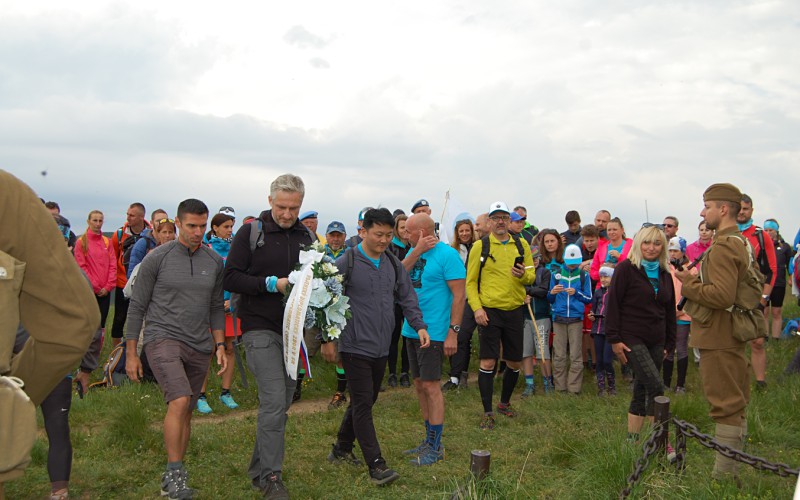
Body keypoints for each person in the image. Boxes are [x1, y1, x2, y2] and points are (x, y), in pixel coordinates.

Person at [125, 198, 227, 500]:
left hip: (200, 344)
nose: (198, 232)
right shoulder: (157, 258)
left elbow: (215, 307)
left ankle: (176, 475)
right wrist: (131, 353)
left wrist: (220, 344)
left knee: (186, 411)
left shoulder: (214, 261)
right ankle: (174, 473)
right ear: (178, 224)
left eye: (202, 226)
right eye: (191, 226)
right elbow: (137, 307)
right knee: (180, 400)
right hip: (162, 337)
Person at [223, 173, 314, 499]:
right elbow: (231, 277)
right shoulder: (251, 233)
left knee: (284, 400)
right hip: (258, 327)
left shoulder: (306, 237)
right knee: (274, 400)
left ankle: (258, 469)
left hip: (293, 332)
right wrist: (269, 284)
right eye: (282, 207)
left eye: (294, 207)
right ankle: (272, 479)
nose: (287, 214)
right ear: (269, 201)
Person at [325, 208, 428, 486]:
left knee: (368, 399)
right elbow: (327, 299)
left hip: (381, 345)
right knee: (362, 404)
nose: (383, 240)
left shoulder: (393, 264)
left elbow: (407, 296)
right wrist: (329, 340)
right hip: (354, 344)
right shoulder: (348, 261)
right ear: (363, 232)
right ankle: (377, 464)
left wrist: (418, 325)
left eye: (388, 235)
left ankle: (341, 448)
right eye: (378, 234)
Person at [675, 183, 752, 479]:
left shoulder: (722, 246)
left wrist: (688, 282)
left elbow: (722, 297)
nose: (702, 212)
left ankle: (723, 478)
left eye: (707, 206)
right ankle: (731, 471)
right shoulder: (738, 241)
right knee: (734, 399)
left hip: (719, 334)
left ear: (722, 209)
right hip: (729, 332)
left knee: (725, 404)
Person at [400, 213, 465, 465]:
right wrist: (415, 251)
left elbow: (459, 296)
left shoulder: (447, 256)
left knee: (431, 386)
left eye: (408, 231)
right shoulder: (413, 253)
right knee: (419, 384)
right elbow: (398, 275)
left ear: (421, 232)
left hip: (435, 331)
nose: (404, 235)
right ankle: (428, 440)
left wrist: (453, 331)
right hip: (411, 329)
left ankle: (435, 447)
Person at [466, 201, 535, 430]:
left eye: (504, 217)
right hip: (490, 310)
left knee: (514, 361)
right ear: (489, 222)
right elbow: (471, 282)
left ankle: (504, 404)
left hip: (515, 309)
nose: (500, 221)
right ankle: (487, 412)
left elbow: (531, 276)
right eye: (495, 218)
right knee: (488, 361)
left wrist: (522, 276)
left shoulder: (521, 243)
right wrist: (477, 308)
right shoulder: (480, 246)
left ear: (510, 220)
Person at [607, 225, 676, 448]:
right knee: (656, 385)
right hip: (630, 337)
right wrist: (614, 340)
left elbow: (669, 311)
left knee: (641, 388)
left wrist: (670, 343)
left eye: (657, 243)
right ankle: (658, 439)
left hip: (657, 339)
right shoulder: (626, 269)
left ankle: (633, 439)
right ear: (638, 244)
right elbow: (613, 305)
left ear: (663, 247)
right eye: (646, 242)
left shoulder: (665, 273)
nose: (651, 248)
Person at [196, 212, 238, 414]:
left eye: (231, 226)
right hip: (210, 307)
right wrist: (213, 302)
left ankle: (226, 392)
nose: (230, 230)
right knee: (209, 349)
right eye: (226, 227)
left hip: (231, 307)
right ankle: (201, 395)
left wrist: (233, 299)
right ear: (214, 228)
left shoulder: (235, 249)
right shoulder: (205, 249)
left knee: (230, 348)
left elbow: (238, 276)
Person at [72, 210, 116, 392]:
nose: (98, 224)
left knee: (101, 328)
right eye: (95, 220)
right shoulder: (81, 242)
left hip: (105, 292)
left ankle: (92, 363)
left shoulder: (106, 242)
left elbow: (113, 264)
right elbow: (81, 267)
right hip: (89, 292)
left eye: (100, 221)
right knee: (87, 328)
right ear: (88, 221)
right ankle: (80, 362)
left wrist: (109, 285)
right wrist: (96, 287)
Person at [736, 194, 777, 389]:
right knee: (734, 343)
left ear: (751, 210)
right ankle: (737, 380)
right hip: (731, 296)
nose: (742, 212)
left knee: (757, 341)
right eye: (739, 208)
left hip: (755, 297)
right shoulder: (726, 234)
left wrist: (763, 299)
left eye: (745, 208)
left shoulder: (762, 236)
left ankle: (760, 382)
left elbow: (772, 270)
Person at [548, 244, 593, 394]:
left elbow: (588, 298)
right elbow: (549, 298)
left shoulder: (583, 276)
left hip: (575, 318)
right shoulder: (556, 274)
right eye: (570, 261)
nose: (572, 264)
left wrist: (576, 293)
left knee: (575, 355)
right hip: (558, 317)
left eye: (575, 261)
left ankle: (574, 388)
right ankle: (560, 387)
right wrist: (553, 292)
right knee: (559, 354)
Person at [110, 202, 151, 347]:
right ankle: (116, 353)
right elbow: (113, 258)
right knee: (119, 318)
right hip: (122, 283)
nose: (128, 218)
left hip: (144, 285)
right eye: (127, 214)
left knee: (141, 319)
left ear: (141, 217)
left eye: (132, 215)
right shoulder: (119, 234)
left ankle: (139, 349)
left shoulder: (151, 233)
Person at [444, 218, 478, 390]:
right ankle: (455, 375)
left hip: (473, 299)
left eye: (467, 230)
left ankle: (460, 374)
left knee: (463, 335)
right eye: (461, 231)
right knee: (455, 336)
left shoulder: (478, 248)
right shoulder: (452, 251)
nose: (464, 234)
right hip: (455, 298)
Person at [665, 237, 695, 394]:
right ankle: (666, 382)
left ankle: (680, 385)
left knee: (681, 347)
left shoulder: (691, 269)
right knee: (668, 348)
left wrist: (681, 311)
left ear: (682, 251)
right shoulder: (665, 268)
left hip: (684, 315)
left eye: (675, 250)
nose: (672, 254)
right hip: (667, 315)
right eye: (670, 250)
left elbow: (694, 291)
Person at [522, 247, 553, 396]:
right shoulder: (521, 274)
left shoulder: (545, 272)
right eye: (530, 258)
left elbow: (543, 291)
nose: (533, 261)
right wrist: (523, 297)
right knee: (526, 352)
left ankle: (548, 383)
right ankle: (529, 383)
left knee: (542, 351)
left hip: (541, 316)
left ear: (539, 258)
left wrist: (528, 292)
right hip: (525, 317)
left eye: (535, 258)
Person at [386, 214, 412, 388]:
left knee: (408, 337)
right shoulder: (390, 248)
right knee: (393, 338)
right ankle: (392, 373)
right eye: (402, 227)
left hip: (409, 297)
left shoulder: (414, 246)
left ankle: (405, 372)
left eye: (408, 228)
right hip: (394, 299)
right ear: (396, 229)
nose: (405, 231)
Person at [763, 219, 794, 340]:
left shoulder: (785, 247)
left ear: (776, 230)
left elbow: (789, 264)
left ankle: (776, 338)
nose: (768, 232)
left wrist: (791, 278)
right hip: (765, 283)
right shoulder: (762, 246)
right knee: (764, 311)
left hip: (779, 283)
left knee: (776, 312)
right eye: (766, 230)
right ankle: (764, 336)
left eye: (771, 230)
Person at [589, 263, 616, 396]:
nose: (604, 279)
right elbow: (593, 308)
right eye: (602, 277)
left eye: (607, 276)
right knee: (599, 359)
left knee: (607, 359)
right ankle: (601, 388)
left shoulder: (616, 292)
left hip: (610, 330)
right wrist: (591, 315)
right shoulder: (598, 292)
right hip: (597, 329)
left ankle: (612, 386)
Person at [590, 217, 632, 284]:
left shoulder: (631, 246)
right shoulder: (601, 248)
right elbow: (593, 272)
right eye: (609, 230)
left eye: (615, 229)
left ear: (622, 230)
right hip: (603, 288)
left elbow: (633, 268)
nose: (611, 232)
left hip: (624, 285)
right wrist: (603, 272)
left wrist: (620, 257)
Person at [127, 209, 169, 277]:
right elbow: (132, 273)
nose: (161, 223)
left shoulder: (172, 242)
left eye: (164, 220)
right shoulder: (142, 244)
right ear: (151, 222)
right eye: (158, 221)